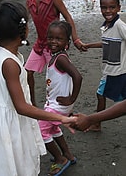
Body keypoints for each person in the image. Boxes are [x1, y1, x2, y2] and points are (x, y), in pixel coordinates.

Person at [0, 0, 76, 176]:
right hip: (11, 120)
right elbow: (21, 107)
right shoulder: (10, 62)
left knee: (5, 160)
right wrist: (61, 119)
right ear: (23, 30)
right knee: (17, 160)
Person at [24, 0, 86, 106]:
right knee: (27, 72)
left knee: (59, 76)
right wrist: (22, 36)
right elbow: (25, 19)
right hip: (40, 44)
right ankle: (32, 104)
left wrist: (75, 38)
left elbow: (68, 18)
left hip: (54, 46)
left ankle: (62, 106)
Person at [39, 21, 82, 175]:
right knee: (52, 128)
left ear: (67, 42)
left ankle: (59, 159)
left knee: (40, 131)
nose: (53, 42)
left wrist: (71, 99)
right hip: (55, 103)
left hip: (58, 105)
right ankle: (68, 155)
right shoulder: (57, 56)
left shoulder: (61, 59)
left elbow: (78, 77)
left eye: (59, 39)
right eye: (51, 38)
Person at [83, 0, 126, 131]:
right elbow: (106, 43)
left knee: (100, 94)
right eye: (104, 7)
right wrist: (89, 46)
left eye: (112, 7)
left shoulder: (119, 26)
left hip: (116, 72)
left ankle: (96, 123)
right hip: (112, 70)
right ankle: (97, 123)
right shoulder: (107, 26)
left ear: (119, 8)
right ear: (100, 8)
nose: (108, 11)